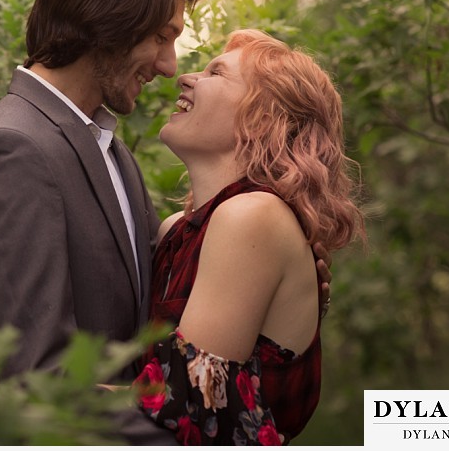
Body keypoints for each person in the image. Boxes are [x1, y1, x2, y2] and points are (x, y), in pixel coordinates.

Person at [0, 0, 331, 444]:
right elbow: (39, 381)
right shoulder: (14, 148)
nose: (172, 67)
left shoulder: (113, 154)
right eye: (162, 37)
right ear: (110, 20)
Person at [131, 29, 367, 445]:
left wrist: (13, 398)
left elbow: (187, 407)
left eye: (215, 73)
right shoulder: (177, 231)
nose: (185, 78)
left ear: (262, 118)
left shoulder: (252, 216)